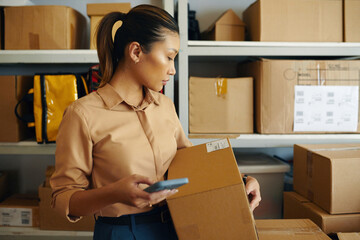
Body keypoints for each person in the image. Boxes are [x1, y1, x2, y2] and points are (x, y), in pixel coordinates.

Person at [50, 4, 261, 240]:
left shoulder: (164, 106)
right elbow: (64, 198)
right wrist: (115, 193)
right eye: (169, 57)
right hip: (122, 232)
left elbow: (192, 165)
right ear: (136, 52)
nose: (172, 70)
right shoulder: (83, 114)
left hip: (177, 225)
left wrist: (242, 181)